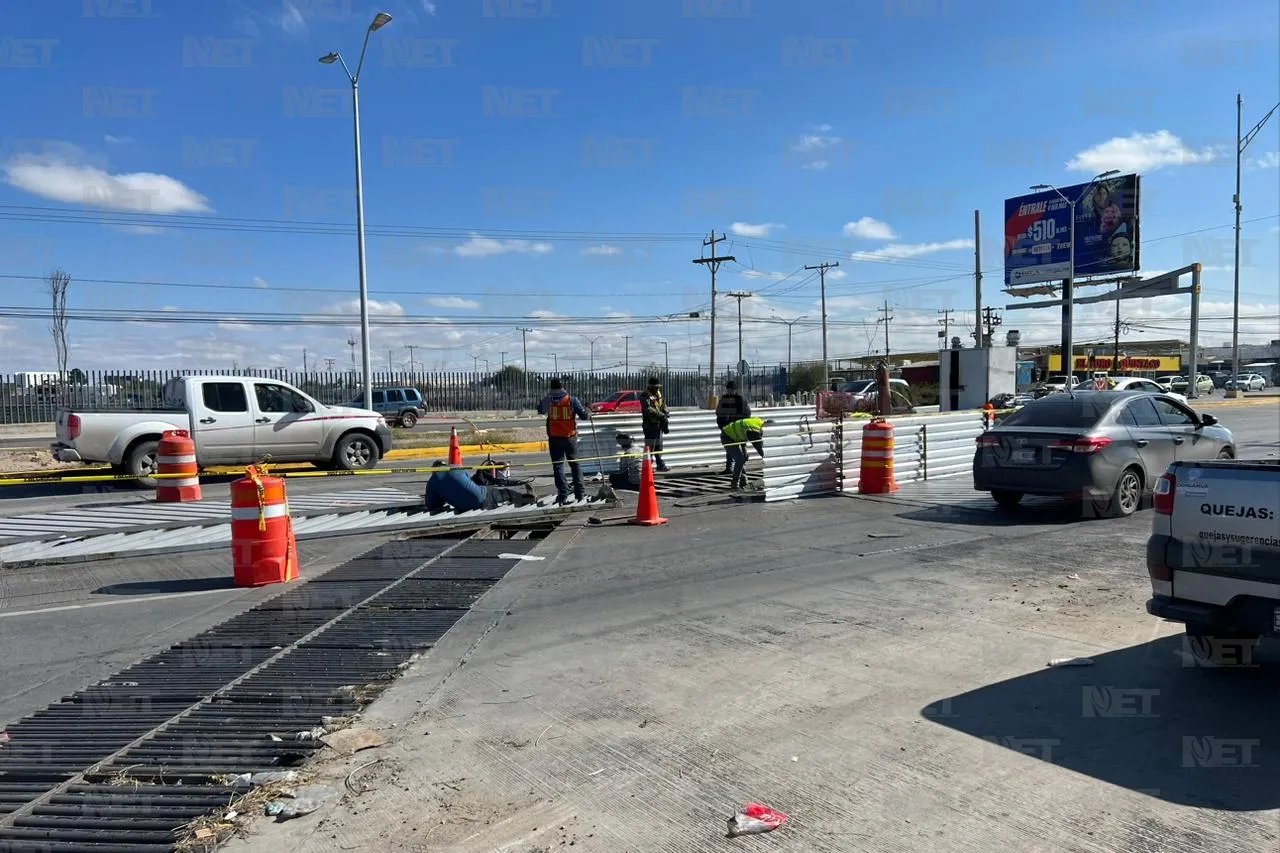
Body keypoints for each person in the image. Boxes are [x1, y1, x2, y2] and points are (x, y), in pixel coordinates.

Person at [537, 378, 591, 504]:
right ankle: (580, 493)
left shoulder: (548, 400)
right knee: (575, 465)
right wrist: (588, 409)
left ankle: (563, 494)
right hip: (569, 437)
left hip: (554, 437)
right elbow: (584, 416)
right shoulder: (571, 400)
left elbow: (540, 410)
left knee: (558, 466)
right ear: (563, 387)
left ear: (551, 388)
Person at [424, 461, 534, 513]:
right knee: (506, 494)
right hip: (481, 495)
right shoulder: (455, 468)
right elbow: (468, 481)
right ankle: (528, 498)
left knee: (491, 498)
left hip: (464, 507)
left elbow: (433, 504)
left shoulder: (432, 482)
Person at [714, 380, 752, 475]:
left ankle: (743, 470)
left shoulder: (740, 399)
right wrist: (723, 426)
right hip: (728, 429)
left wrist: (740, 423)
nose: (730, 391)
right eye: (729, 389)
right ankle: (729, 467)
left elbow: (747, 414)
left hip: (739, 429)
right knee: (729, 448)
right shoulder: (724, 399)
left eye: (732, 390)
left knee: (742, 449)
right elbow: (719, 414)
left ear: (735, 390)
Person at [721, 416, 765, 491]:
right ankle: (735, 484)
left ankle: (743, 482)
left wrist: (745, 452)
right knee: (740, 460)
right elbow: (758, 446)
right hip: (727, 437)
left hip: (736, 437)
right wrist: (767, 456)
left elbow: (743, 432)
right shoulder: (754, 429)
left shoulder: (758, 422)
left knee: (743, 458)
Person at [639, 377, 670, 472]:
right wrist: (661, 415)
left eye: (658, 387)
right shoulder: (645, 395)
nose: (657, 389)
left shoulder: (658, 394)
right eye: (655, 387)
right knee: (650, 447)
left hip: (658, 425)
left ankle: (660, 464)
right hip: (649, 425)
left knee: (659, 446)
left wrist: (665, 413)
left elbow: (663, 405)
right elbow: (648, 409)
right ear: (650, 386)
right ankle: (648, 467)